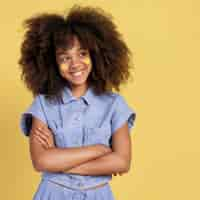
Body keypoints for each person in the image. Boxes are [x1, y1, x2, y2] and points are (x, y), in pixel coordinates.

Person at [19, 5, 136, 200]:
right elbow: (41, 161)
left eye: (82, 53)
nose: (75, 64)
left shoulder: (114, 105)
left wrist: (60, 159)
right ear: (52, 63)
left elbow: (122, 162)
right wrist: (99, 150)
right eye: (65, 58)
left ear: (96, 55)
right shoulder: (42, 105)